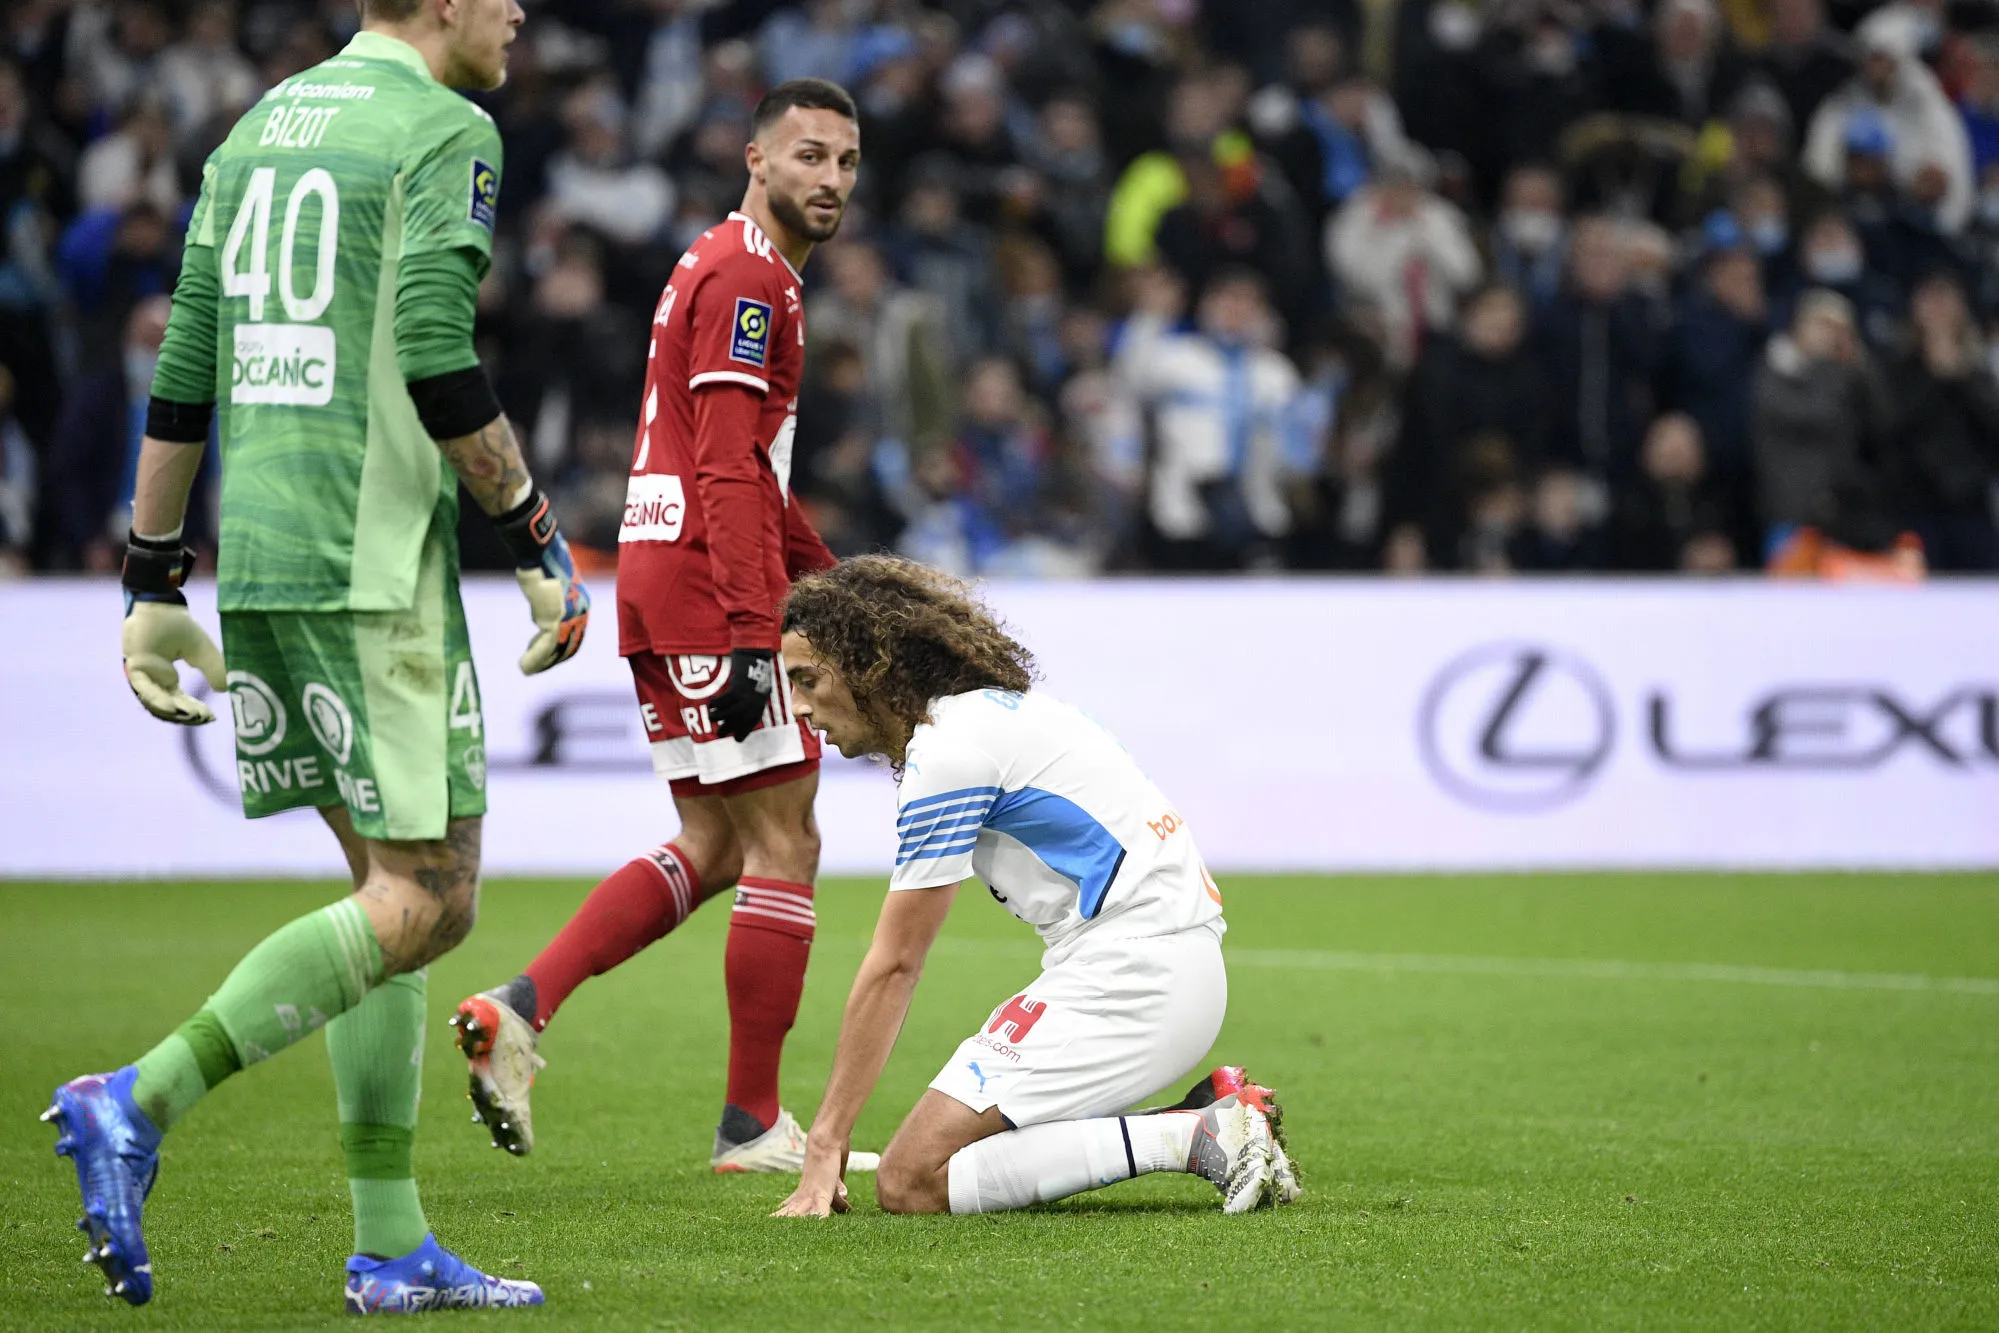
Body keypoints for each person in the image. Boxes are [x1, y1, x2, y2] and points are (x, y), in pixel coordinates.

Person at [44, 0, 590, 1314]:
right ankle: (138, 1099)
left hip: (266, 552)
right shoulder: (444, 126)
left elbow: (183, 363)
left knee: (380, 894)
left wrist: (153, 573)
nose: (518, 12)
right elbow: (433, 354)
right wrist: (532, 531)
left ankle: (390, 1244)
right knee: (434, 899)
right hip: (372, 562)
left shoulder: (255, 132)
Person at [451, 78, 863, 1176]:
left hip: (661, 572)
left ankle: (521, 1005)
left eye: (844, 162)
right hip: (703, 587)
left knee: (718, 842)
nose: (828, 179)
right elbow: (729, 464)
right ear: (755, 159)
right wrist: (748, 628)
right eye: (808, 156)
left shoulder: (725, 262)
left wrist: (837, 585)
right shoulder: (747, 279)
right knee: (790, 841)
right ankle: (751, 1124)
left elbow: (746, 471)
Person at [768, 556, 1302, 1220]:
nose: (797, 706)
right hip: (1154, 963)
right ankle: (1198, 1117)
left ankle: (1199, 1136)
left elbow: (896, 963)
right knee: (937, 1163)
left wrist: (826, 1143)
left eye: (807, 679)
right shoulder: (986, 716)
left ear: (870, 665)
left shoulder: (949, 752)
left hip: (1138, 980)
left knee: (910, 1181)